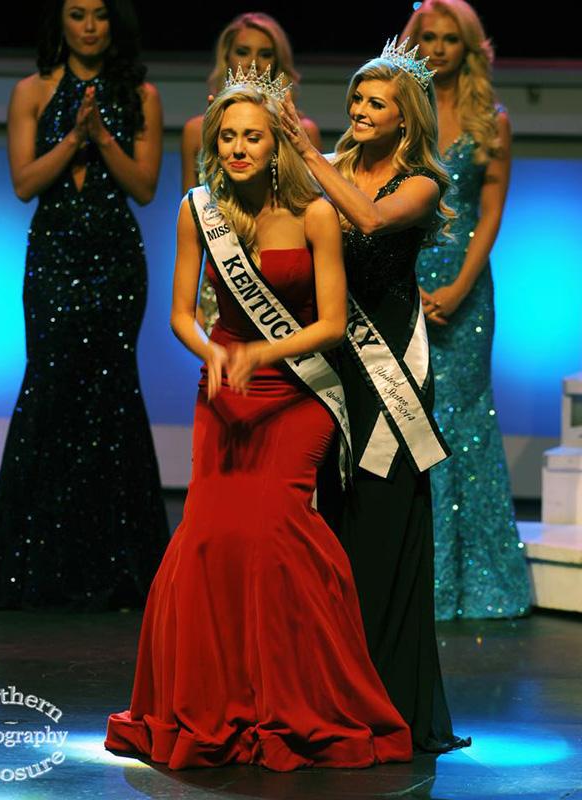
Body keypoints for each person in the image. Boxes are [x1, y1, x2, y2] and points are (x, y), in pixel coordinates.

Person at [105, 74, 412, 771]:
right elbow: (182, 312)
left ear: (277, 144)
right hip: (225, 391)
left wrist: (260, 351)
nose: (238, 147)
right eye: (227, 136)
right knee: (211, 537)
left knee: (277, 534)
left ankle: (296, 697)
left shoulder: (315, 215)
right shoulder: (199, 211)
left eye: (252, 135)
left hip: (297, 394)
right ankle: (213, 701)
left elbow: (332, 324)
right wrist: (214, 351)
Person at [281, 39, 469, 751]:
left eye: (376, 103)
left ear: (405, 118)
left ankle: (389, 700)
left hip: (389, 374)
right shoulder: (329, 170)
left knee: (384, 523)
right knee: (337, 524)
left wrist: (307, 160)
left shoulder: (424, 181)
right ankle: (332, 693)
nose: (360, 111)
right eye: (356, 100)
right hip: (334, 366)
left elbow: (367, 219)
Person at [0, 0, 169, 611]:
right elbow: (26, 182)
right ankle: (37, 570)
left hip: (114, 262)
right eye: (77, 13)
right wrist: (74, 138)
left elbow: (144, 185)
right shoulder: (30, 92)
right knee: (49, 394)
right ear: (59, 21)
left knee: (112, 397)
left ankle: (119, 571)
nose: (88, 26)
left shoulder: (143, 96)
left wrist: (102, 137)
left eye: (100, 14)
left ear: (115, 24)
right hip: (54, 259)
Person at [401, 0, 531, 621]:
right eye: (428, 37)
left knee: (464, 418)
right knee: (410, 416)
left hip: (466, 285)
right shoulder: (400, 110)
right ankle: (419, 579)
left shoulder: (492, 120)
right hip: (403, 277)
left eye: (451, 39)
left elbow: (492, 214)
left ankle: (478, 585)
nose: (438, 49)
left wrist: (457, 288)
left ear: (469, 48)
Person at [180, 12, 322, 334]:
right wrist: (194, 297)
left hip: (287, 283)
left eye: (266, 53)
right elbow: (194, 222)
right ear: (227, 57)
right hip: (222, 278)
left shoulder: (303, 132)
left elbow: (312, 216)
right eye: (243, 51)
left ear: (279, 62)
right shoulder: (196, 132)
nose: (254, 62)